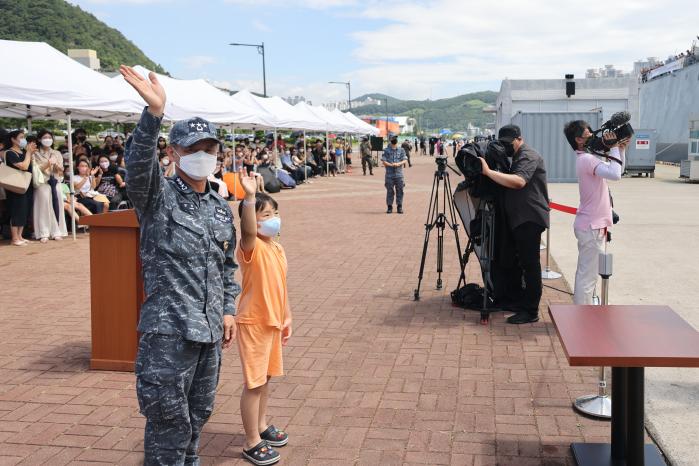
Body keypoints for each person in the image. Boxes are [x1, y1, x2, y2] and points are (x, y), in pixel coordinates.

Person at [120, 65, 241, 466]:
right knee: (168, 425)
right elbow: (137, 169)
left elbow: (226, 265)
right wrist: (153, 115)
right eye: (192, 149)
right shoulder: (158, 198)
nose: (202, 157)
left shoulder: (220, 208)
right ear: (173, 153)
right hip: (169, 334)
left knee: (198, 418)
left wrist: (227, 309)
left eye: (209, 149)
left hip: (208, 334)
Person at [236, 170, 292, 466]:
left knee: (266, 379)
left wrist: (287, 316)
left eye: (274, 212)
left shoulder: (276, 247)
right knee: (254, 383)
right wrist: (248, 197)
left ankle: (261, 425)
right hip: (253, 322)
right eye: (265, 214)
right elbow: (246, 231)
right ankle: (250, 441)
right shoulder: (252, 247)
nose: (273, 218)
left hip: (272, 322)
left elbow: (281, 285)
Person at [479, 124, 550, 324]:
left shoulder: (528, 155)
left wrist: (488, 172)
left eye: (509, 143)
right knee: (521, 264)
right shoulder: (516, 156)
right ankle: (520, 302)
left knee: (530, 265)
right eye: (503, 144)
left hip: (529, 218)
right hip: (520, 218)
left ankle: (531, 311)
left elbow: (519, 181)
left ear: (519, 138)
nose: (506, 147)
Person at [563, 120, 627, 305]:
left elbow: (617, 170)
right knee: (587, 277)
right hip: (592, 227)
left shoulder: (588, 159)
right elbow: (615, 175)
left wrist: (620, 149)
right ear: (578, 140)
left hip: (592, 225)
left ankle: (584, 313)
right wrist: (614, 147)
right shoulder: (587, 159)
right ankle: (582, 319)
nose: (594, 136)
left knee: (588, 275)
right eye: (589, 134)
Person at [32, 130, 67, 242]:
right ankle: (44, 233)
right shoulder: (35, 153)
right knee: (44, 207)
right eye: (45, 137)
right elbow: (36, 169)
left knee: (58, 206)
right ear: (39, 140)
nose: (48, 139)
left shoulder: (57, 153)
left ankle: (57, 231)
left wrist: (55, 164)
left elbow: (61, 169)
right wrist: (48, 163)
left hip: (55, 182)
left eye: (49, 137)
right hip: (43, 183)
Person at [3, 130, 34, 246]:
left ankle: (20, 236)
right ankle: (14, 238)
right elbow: (24, 166)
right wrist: (29, 154)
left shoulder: (24, 151)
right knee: (16, 210)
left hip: (26, 185)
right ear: (13, 139)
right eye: (21, 137)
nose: (23, 139)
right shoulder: (10, 153)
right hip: (15, 186)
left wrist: (29, 153)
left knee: (24, 211)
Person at [381, 136, 408, 214]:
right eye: (393, 139)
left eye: (395, 139)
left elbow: (405, 160)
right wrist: (391, 165)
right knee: (390, 191)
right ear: (390, 141)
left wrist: (398, 164)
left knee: (400, 190)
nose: (394, 140)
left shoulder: (401, 150)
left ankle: (399, 206)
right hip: (389, 175)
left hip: (399, 174)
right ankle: (389, 207)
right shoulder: (386, 150)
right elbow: (383, 161)